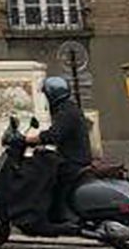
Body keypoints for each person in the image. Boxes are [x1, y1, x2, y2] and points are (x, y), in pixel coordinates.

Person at [25, 76, 93, 221]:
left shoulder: (66, 112)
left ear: (52, 95)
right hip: (74, 156)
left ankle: (61, 213)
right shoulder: (67, 108)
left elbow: (54, 135)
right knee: (44, 163)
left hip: (74, 160)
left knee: (45, 177)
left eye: (46, 95)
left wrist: (30, 140)